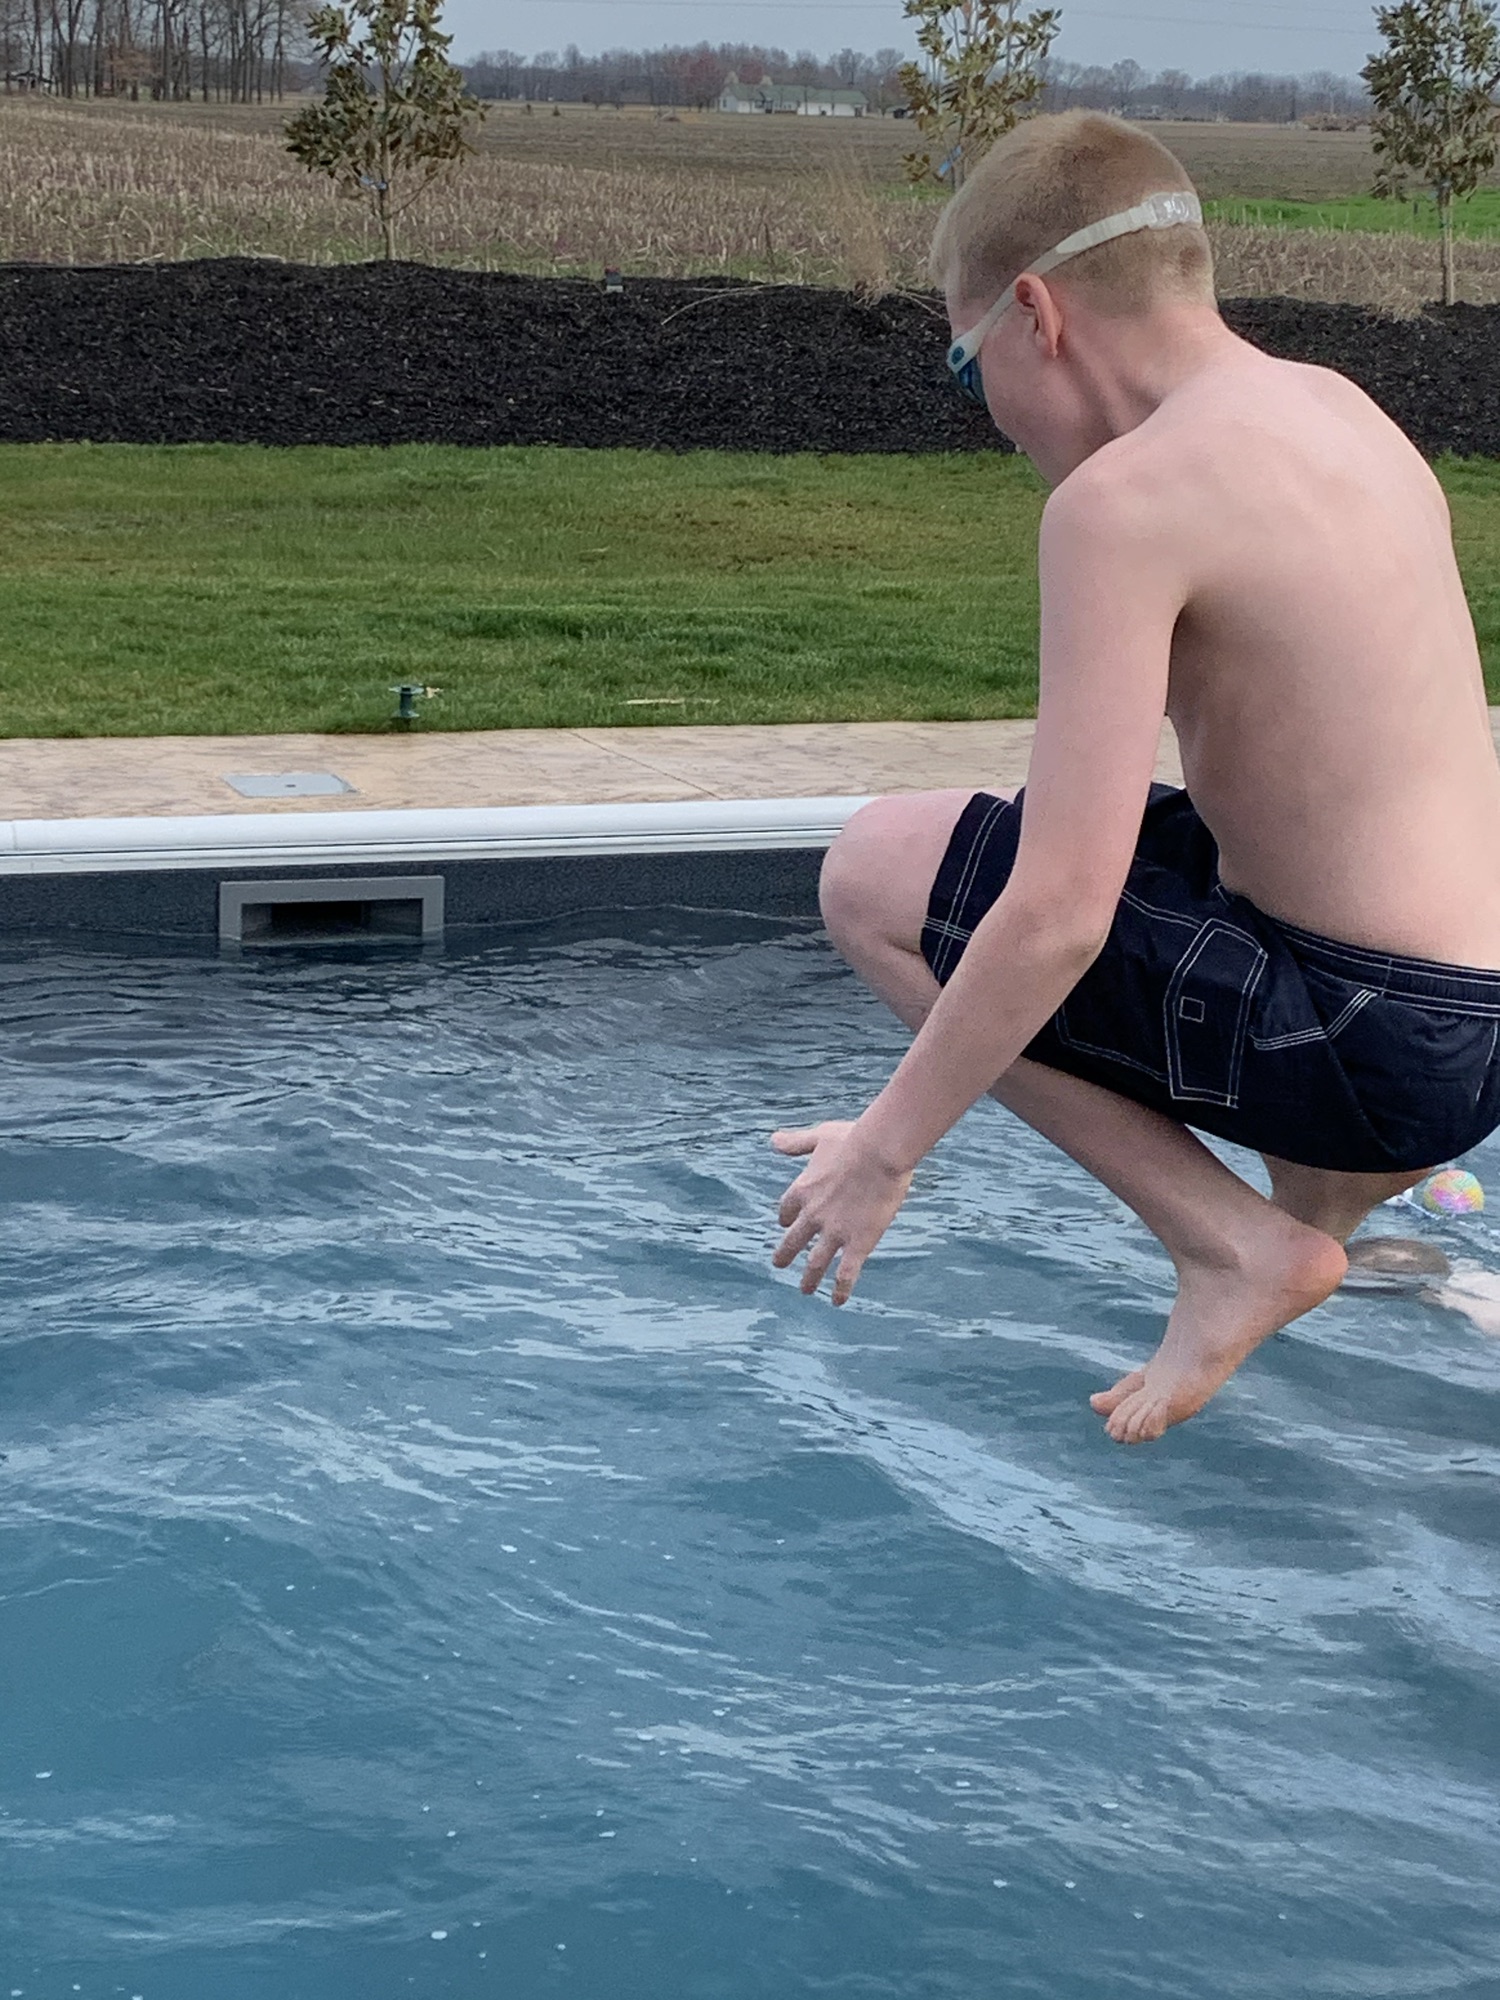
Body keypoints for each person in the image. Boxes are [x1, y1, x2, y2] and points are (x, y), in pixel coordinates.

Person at [770, 110, 1500, 1444]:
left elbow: (1059, 913)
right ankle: (1323, 1201)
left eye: (964, 368)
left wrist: (883, 1149)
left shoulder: (1124, 506)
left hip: (1368, 1035)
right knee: (1131, 836)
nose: (989, 417)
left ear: (1035, 314)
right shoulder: (1338, 411)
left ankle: (1237, 1248)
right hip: (1465, 1026)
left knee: (877, 873)